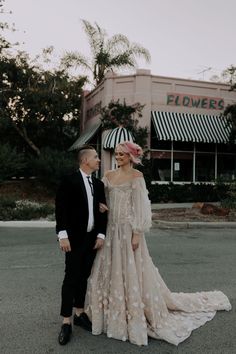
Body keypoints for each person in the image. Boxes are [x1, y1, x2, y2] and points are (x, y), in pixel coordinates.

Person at [84, 141, 231, 346]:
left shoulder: (137, 177)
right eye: (116, 154)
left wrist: (137, 233)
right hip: (111, 230)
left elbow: (142, 207)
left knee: (131, 270)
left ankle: (134, 312)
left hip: (128, 231)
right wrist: (100, 206)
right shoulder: (108, 176)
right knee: (109, 271)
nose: (117, 157)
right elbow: (99, 198)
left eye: (121, 155)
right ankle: (111, 312)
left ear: (131, 157)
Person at [55, 145, 107, 345]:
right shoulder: (69, 181)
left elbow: (103, 212)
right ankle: (66, 321)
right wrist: (63, 235)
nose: (98, 160)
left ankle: (79, 312)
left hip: (91, 240)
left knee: (84, 276)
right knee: (71, 277)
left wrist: (101, 234)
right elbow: (61, 210)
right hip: (73, 239)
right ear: (85, 160)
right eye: (96, 157)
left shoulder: (99, 184)